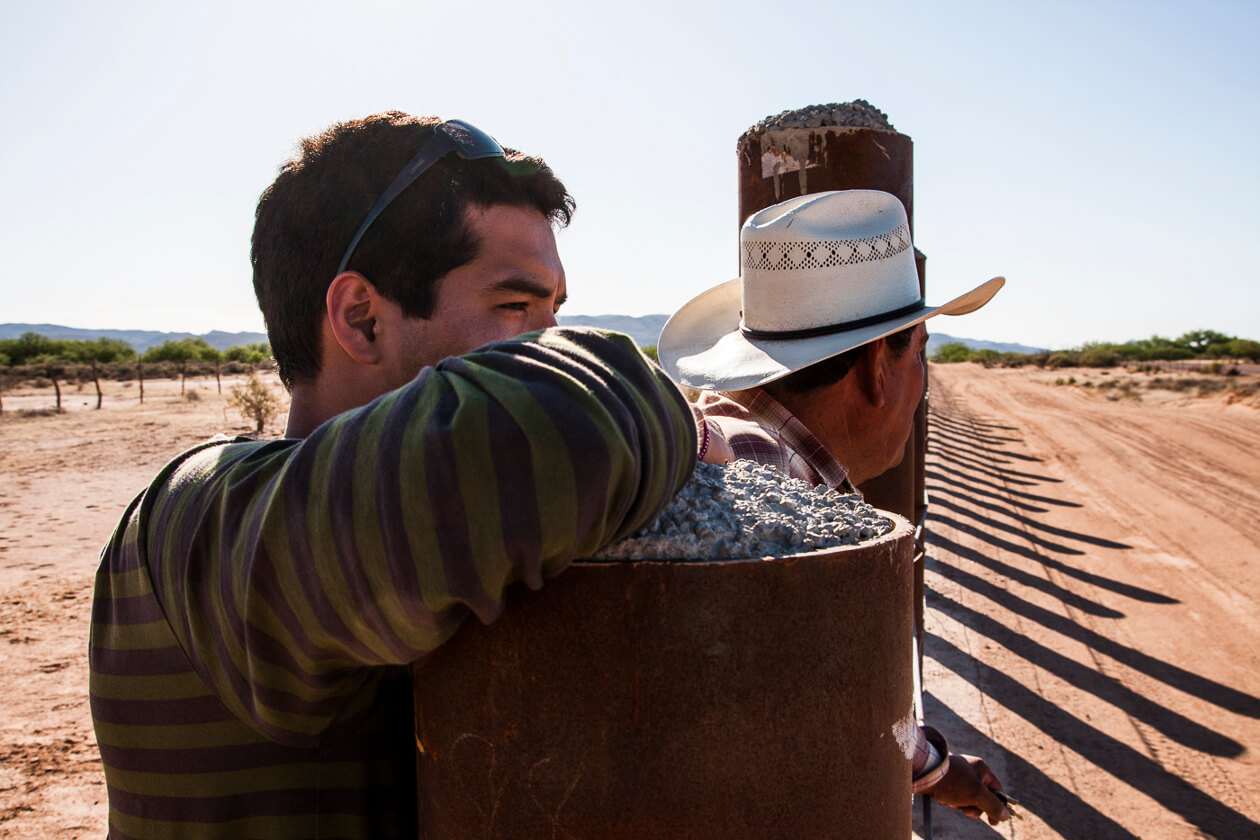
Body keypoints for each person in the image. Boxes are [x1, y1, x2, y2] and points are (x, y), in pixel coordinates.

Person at [89, 112, 698, 839]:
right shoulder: (196, 515)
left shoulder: (438, 521)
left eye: (555, 312)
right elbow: (563, 431)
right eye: (515, 306)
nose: (548, 346)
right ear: (362, 318)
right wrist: (692, 423)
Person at [658, 188, 1013, 825]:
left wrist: (932, 766)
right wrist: (931, 763)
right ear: (880, 366)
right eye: (921, 352)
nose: (922, 384)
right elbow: (843, 709)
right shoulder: (791, 519)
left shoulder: (706, 440)